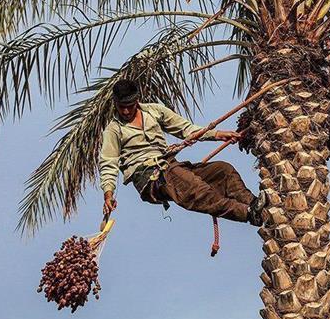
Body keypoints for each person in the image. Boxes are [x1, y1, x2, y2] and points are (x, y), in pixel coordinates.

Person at [98, 79, 266, 226]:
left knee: (223, 171)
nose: (126, 112)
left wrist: (217, 134)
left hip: (171, 167)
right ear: (115, 104)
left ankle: (255, 204)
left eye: (129, 106)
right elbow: (108, 164)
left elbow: (186, 129)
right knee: (197, 189)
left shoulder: (155, 111)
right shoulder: (113, 130)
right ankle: (248, 213)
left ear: (137, 100)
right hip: (151, 178)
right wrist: (108, 194)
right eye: (121, 107)